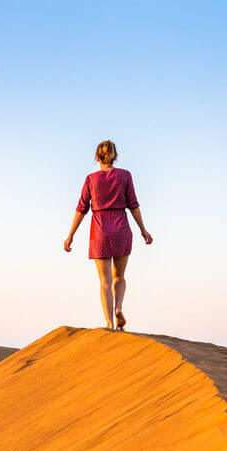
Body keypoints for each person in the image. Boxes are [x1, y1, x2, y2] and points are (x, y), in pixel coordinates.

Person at [63, 140, 153, 330]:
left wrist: (71, 235)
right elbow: (133, 206)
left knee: (105, 281)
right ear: (115, 156)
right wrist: (143, 230)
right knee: (119, 277)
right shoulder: (125, 176)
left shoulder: (91, 179)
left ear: (97, 157)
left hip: (100, 230)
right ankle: (119, 307)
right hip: (121, 228)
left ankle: (110, 322)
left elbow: (81, 209)